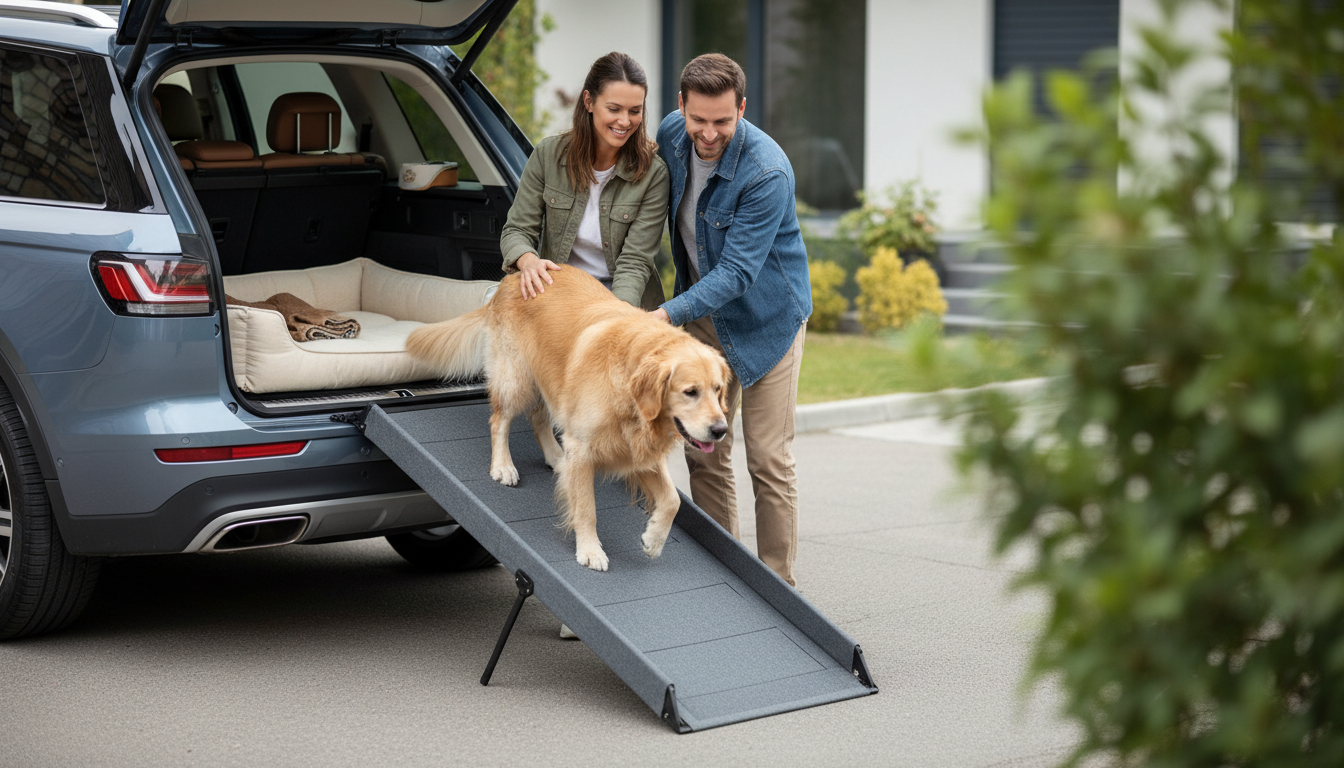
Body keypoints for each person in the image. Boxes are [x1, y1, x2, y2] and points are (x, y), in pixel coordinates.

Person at [649, 54, 812, 587]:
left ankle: (781, 591)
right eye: (699, 119)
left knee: (768, 459)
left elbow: (738, 272)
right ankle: (729, 583)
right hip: (701, 317)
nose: (709, 133)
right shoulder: (672, 135)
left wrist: (663, 315)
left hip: (768, 322)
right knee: (705, 450)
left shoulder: (767, 169)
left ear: (742, 108)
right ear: (681, 107)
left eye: (723, 120)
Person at [499, 52, 668, 311]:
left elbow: (635, 261)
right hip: (562, 296)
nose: (625, 121)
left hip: (622, 302)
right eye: (614, 109)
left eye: (635, 111)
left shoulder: (653, 174)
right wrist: (528, 260)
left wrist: (616, 315)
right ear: (589, 101)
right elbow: (517, 230)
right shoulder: (548, 156)